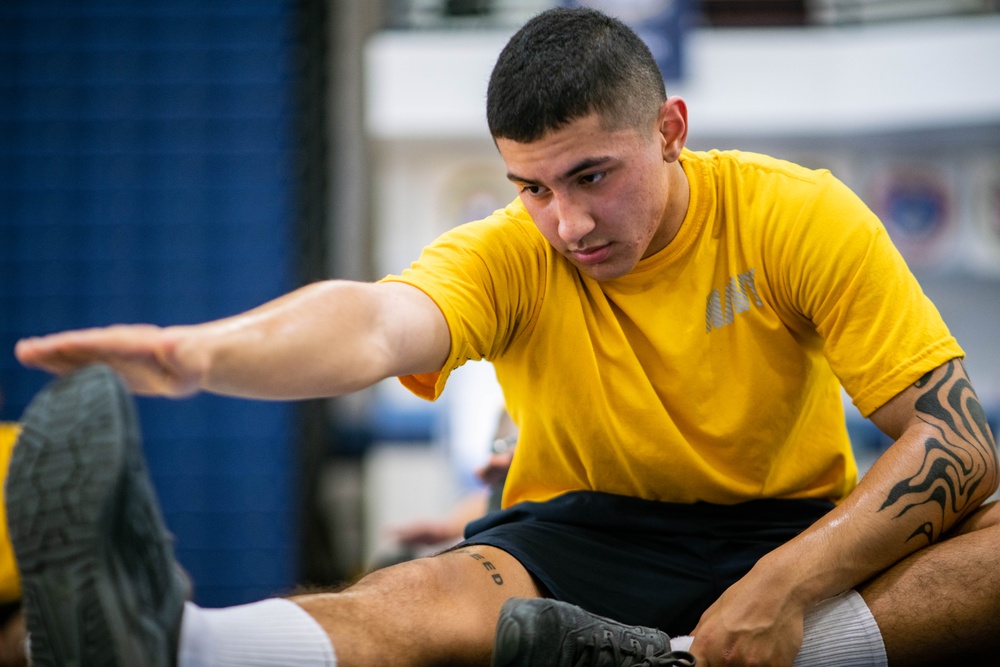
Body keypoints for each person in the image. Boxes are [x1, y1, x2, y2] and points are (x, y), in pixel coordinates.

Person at [6, 6, 1000, 667]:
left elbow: (957, 442)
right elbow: (373, 321)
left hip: (786, 526)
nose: (565, 223)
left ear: (670, 129)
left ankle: (679, 662)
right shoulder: (510, 254)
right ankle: (178, 639)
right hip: (584, 536)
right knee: (413, 599)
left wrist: (784, 587)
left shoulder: (796, 216)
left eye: (592, 176)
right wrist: (203, 354)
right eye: (532, 186)